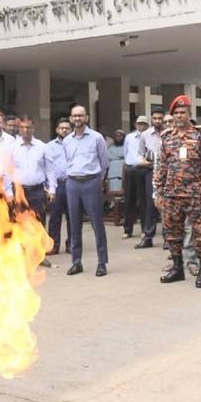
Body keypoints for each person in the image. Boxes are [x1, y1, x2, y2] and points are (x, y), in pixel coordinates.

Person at [156, 95, 201, 288]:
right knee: (172, 233)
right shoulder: (167, 136)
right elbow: (161, 166)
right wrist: (158, 192)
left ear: (189, 114)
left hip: (195, 194)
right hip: (172, 194)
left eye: (183, 112)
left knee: (200, 233)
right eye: (176, 113)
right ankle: (177, 268)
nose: (179, 116)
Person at [63, 104, 110, 277]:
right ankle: (76, 262)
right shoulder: (67, 140)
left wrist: (98, 179)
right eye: (75, 116)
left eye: (80, 115)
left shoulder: (97, 138)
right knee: (74, 223)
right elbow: (68, 161)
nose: (77, 118)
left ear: (87, 118)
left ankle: (102, 263)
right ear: (71, 118)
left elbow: (104, 162)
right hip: (72, 183)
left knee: (97, 223)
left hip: (91, 182)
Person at [12, 116, 56, 229]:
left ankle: (40, 241)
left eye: (28, 127)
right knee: (19, 223)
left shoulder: (42, 147)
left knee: (38, 221)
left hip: (37, 191)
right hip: (19, 190)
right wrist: (8, 191)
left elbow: (50, 169)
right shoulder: (13, 147)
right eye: (22, 127)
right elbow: (8, 170)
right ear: (19, 129)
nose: (25, 130)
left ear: (33, 128)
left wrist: (52, 189)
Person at [135, 108, 164, 249]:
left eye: (160, 118)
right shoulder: (145, 135)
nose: (157, 121)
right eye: (155, 118)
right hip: (151, 171)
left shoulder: (169, 133)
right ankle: (148, 237)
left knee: (167, 204)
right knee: (150, 203)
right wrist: (144, 162)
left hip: (168, 172)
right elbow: (140, 153)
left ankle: (168, 238)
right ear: (151, 119)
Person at [45, 118, 72, 255]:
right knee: (54, 216)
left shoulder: (75, 144)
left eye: (67, 128)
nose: (64, 130)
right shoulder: (49, 146)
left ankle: (71, 244)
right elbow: (47, 167)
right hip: (56, 185)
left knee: (72, 216)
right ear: (57, 130)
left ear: (71, 130)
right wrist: (49, 187)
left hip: (72, 183)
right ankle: (53, 245)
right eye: (62, 128)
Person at [122, 116, 150, 241]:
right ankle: (127, 229)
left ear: (147, 125)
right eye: (139, 124)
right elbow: (125, 153)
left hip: (143, 169)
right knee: (129, 200)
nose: (141, 126)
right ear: (135, 124)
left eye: (144, 124)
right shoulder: (129, 137)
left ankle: (145, 229)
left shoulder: (149, 137)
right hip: (130, 169)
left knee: (143, 200)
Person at [106, 129, 126, 196]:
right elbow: (109, 156)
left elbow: (126, 156)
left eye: (120, 136)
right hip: (113, 172)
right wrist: (120, 157)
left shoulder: (126, 146)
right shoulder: (111, 147)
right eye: (116, 136)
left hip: (122, 172)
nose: (118, 137)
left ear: (123, 137)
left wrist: (116, 157)